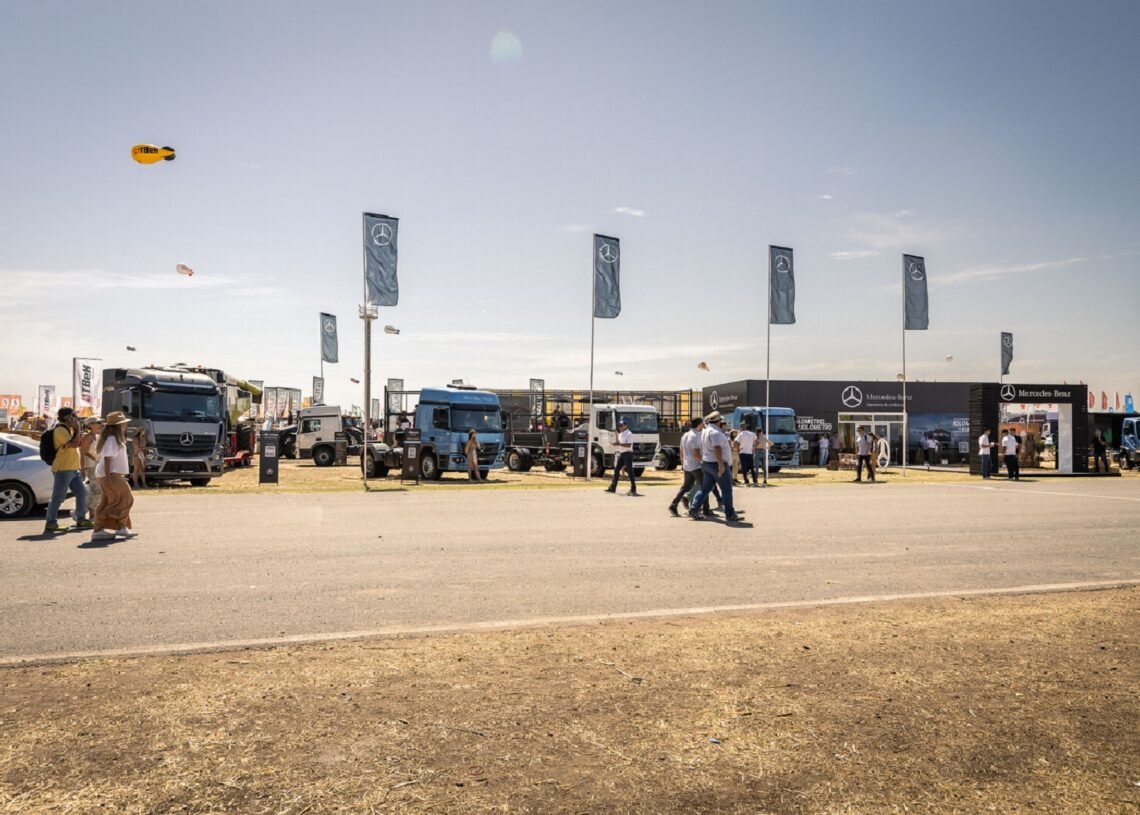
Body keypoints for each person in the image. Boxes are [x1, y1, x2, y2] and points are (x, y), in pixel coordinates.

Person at [44, 407, 90, 534]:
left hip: (72, 468)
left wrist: (76, 430)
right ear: (67, 417)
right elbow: (74, 444)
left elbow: (78, 443)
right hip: (63, 468)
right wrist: (78, 429)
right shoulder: (60, 430)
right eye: (73, 415)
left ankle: (81, 519)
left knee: (82, 493)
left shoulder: (68, 429)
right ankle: (50, 523)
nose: (76, 418)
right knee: (58, 497)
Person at [689, 411, 742, 522]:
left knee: (705, 489)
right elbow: (717, 448)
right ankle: (730, 514)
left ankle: (694, 509)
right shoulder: (715, 433)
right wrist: (721, 465)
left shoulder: (705, 431)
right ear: (718, 421)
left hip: (707, 463)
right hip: (716, 464)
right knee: (726, 489)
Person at [92, 411, 135, 541]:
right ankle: (120, 527)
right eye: (123, 423)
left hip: (108, 474)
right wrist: (109, 477)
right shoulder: (112, 439)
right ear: (118, 425)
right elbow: (107, 459)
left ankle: (99, 530)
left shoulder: (112, 438)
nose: (125, 425)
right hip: (109, 474)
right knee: (125, 500)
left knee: (107, 501)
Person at [669, 417, 710, 516]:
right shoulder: (695, 436)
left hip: (688, 465)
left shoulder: (685, 435)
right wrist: (703, 462)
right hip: (696, 465)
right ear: (699, 424)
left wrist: (683, 464)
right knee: (705, 487)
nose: (703, 425)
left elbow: (681, 451)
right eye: (702, 424)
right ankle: (705, 509)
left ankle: (673, 505)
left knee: (685, 487)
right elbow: (696, 453)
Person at [79, 416, 105, 522]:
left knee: (97, 490)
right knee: (96, 490)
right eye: (97, 422)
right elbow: (82, 453)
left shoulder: (97, 436)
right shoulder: (87, 437)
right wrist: (81, 470)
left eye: (100, 422)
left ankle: (90, 513)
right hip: (89, 467)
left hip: (96, 465)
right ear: (90, 425)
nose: (100, 424)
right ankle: (91, 515)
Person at [605, 419, 638, 495]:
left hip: (628, 454)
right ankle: (612, 488)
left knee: (630, 471)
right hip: (622, 454)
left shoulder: (629, 434)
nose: (619, 427)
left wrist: (619, 444)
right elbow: (619, 442)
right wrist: (614, 444)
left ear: (626, 426)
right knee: (616, 470)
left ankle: (633, 488)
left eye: (621, 425)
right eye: (619, 426)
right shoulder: (621, 434)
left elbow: (629, 445)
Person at [736, 423, 757, 487]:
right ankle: (755, 480)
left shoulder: (741, 434)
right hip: (750, 452)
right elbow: (757, 441)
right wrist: (754, 448)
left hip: (742, 452)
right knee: (752, 467)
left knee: (744, 467)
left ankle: (746, 480)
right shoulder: (753, 434)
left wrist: (738, 449)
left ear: (744, 428)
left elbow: (736, 442)